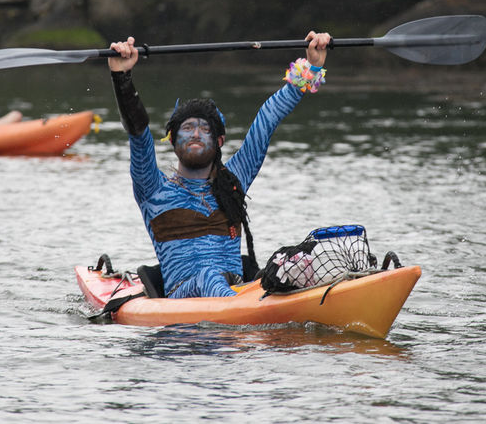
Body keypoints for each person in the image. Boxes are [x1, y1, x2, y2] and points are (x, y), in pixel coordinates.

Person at [108, 30, 332, 299]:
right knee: (208, 275)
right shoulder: (152, 189)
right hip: (184, 294)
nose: (195, 134)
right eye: (187, 128)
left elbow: (268, 117)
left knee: (300, 259)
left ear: (220, 141)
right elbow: (138, 132)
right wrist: (122, 78)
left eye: (204, 129)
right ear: (171, 141)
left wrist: (312, 65)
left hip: (239, 289)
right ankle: (243, 314)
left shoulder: (233, 180)